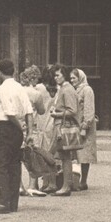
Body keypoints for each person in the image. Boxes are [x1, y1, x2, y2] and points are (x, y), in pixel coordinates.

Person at [0, 59, 31, 214]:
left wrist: (20, 126)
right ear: (13, 71)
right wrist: (28, 132)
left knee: (1, 165)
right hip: (17, 132)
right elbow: (28, 111)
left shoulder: (3, 88)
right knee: (14, 165)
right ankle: (13, 202)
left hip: (5, 127)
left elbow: (9, 112)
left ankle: (3, 202)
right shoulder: (20, 87)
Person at [49, 64, 80, 196]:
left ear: (64, 75)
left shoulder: (67, 90)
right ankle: (63, 185)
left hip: (63, 126)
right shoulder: (64, 88)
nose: (55, 78)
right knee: (63, 156)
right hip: (60, 125)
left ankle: (64, 185)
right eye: (54, 75)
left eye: (58, 75)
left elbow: (72, 110)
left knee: (63, 155)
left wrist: (57, 114)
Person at [19, 65, 49, 196]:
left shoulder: (18, 91)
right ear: (33, 79)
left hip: (18, 125)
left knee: (18, 157)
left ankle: (19, 185)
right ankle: (32, 185)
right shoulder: (36, 94)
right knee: (32, 155)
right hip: (32, 126)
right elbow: (42, 111)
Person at [70, 68, 97, 191]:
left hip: (85, 125)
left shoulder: (87, 90)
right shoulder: (75, 90)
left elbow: (89, 109)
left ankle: (84, 180)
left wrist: (85, 125)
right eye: (70, 78)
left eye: (74, 78)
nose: (72, 81)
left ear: (80, 78)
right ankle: (75, 179)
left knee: (85, 153)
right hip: (76, 124)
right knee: (76, 153)